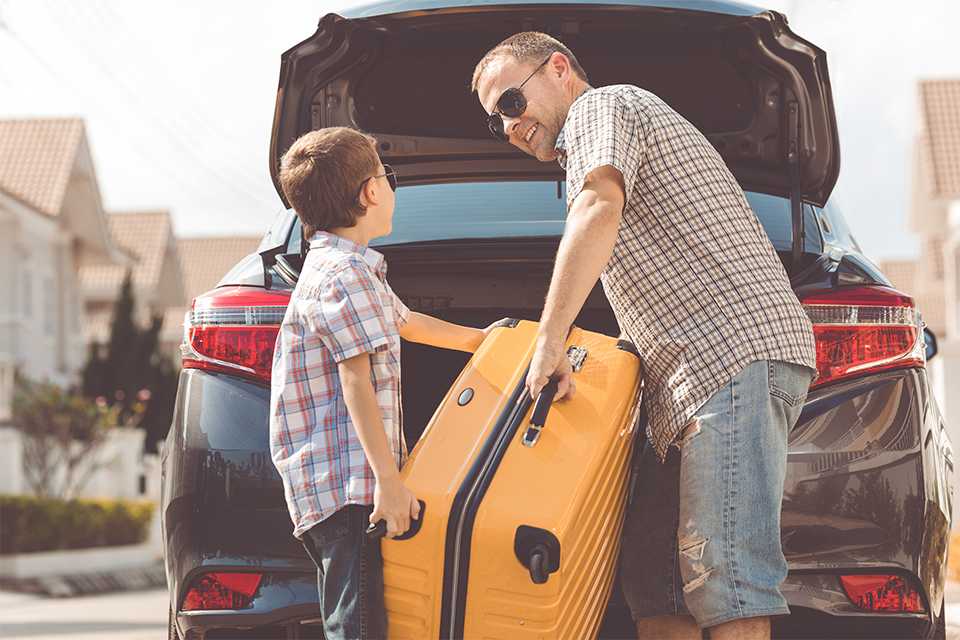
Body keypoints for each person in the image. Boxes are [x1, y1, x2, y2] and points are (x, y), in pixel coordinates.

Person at [472, 32, 817, 640]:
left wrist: (549, 343)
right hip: (671, 392)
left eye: (510, 104)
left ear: (558, 69)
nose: (510, 127)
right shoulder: (592, 134)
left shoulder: (603, 109)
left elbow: (598, 206)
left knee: (727, 581)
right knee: (657, 589)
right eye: (496, 122)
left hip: (729, 353)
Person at [269, 126, 492, 640]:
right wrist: (388, 484)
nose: (390, 188)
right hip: (352, 490)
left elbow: (407, 322)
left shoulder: (351, 270)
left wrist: (488, 340)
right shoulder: (342, 275)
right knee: (358, 623)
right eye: (386, 178)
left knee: (361, 616)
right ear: (371, 192)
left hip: (342, 485)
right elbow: (356, 382)